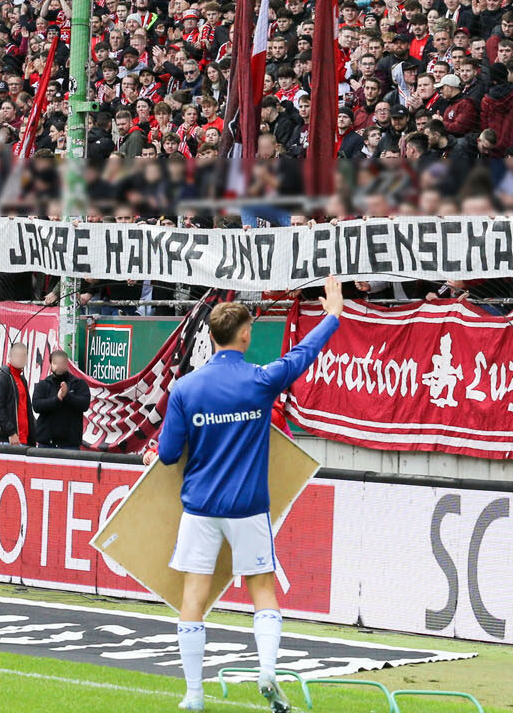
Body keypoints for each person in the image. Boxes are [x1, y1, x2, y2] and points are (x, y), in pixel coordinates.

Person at [151, 277, 344, 713]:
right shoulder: (260, 381)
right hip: (248, 507)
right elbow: (302, 356)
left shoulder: (185, 388)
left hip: (200, 507)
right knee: (262, 592)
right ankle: (268, 668)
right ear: (244, 334)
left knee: (193, 599)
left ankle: (193, 695)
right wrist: (333, 315)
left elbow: (165, 456)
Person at [32, 349, 91, 450]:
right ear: (50, 365)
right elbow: (37, 406)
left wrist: (67, 395)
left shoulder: (79, 384)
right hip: (46, 445)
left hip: (70, 445)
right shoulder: (43, 384)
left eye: (62, 363)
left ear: (67, 364)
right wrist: (57, 399)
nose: (59, 366)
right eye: (55, 363)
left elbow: (84, 404)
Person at [0, 342, 33, 445]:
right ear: (9, 356)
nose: (20, 358)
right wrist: (11, 432)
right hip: (7, 440)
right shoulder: (0, 377)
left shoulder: (22, 379)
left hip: (23, 439)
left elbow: (26, 410)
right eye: (17, 355)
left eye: (23, 355)